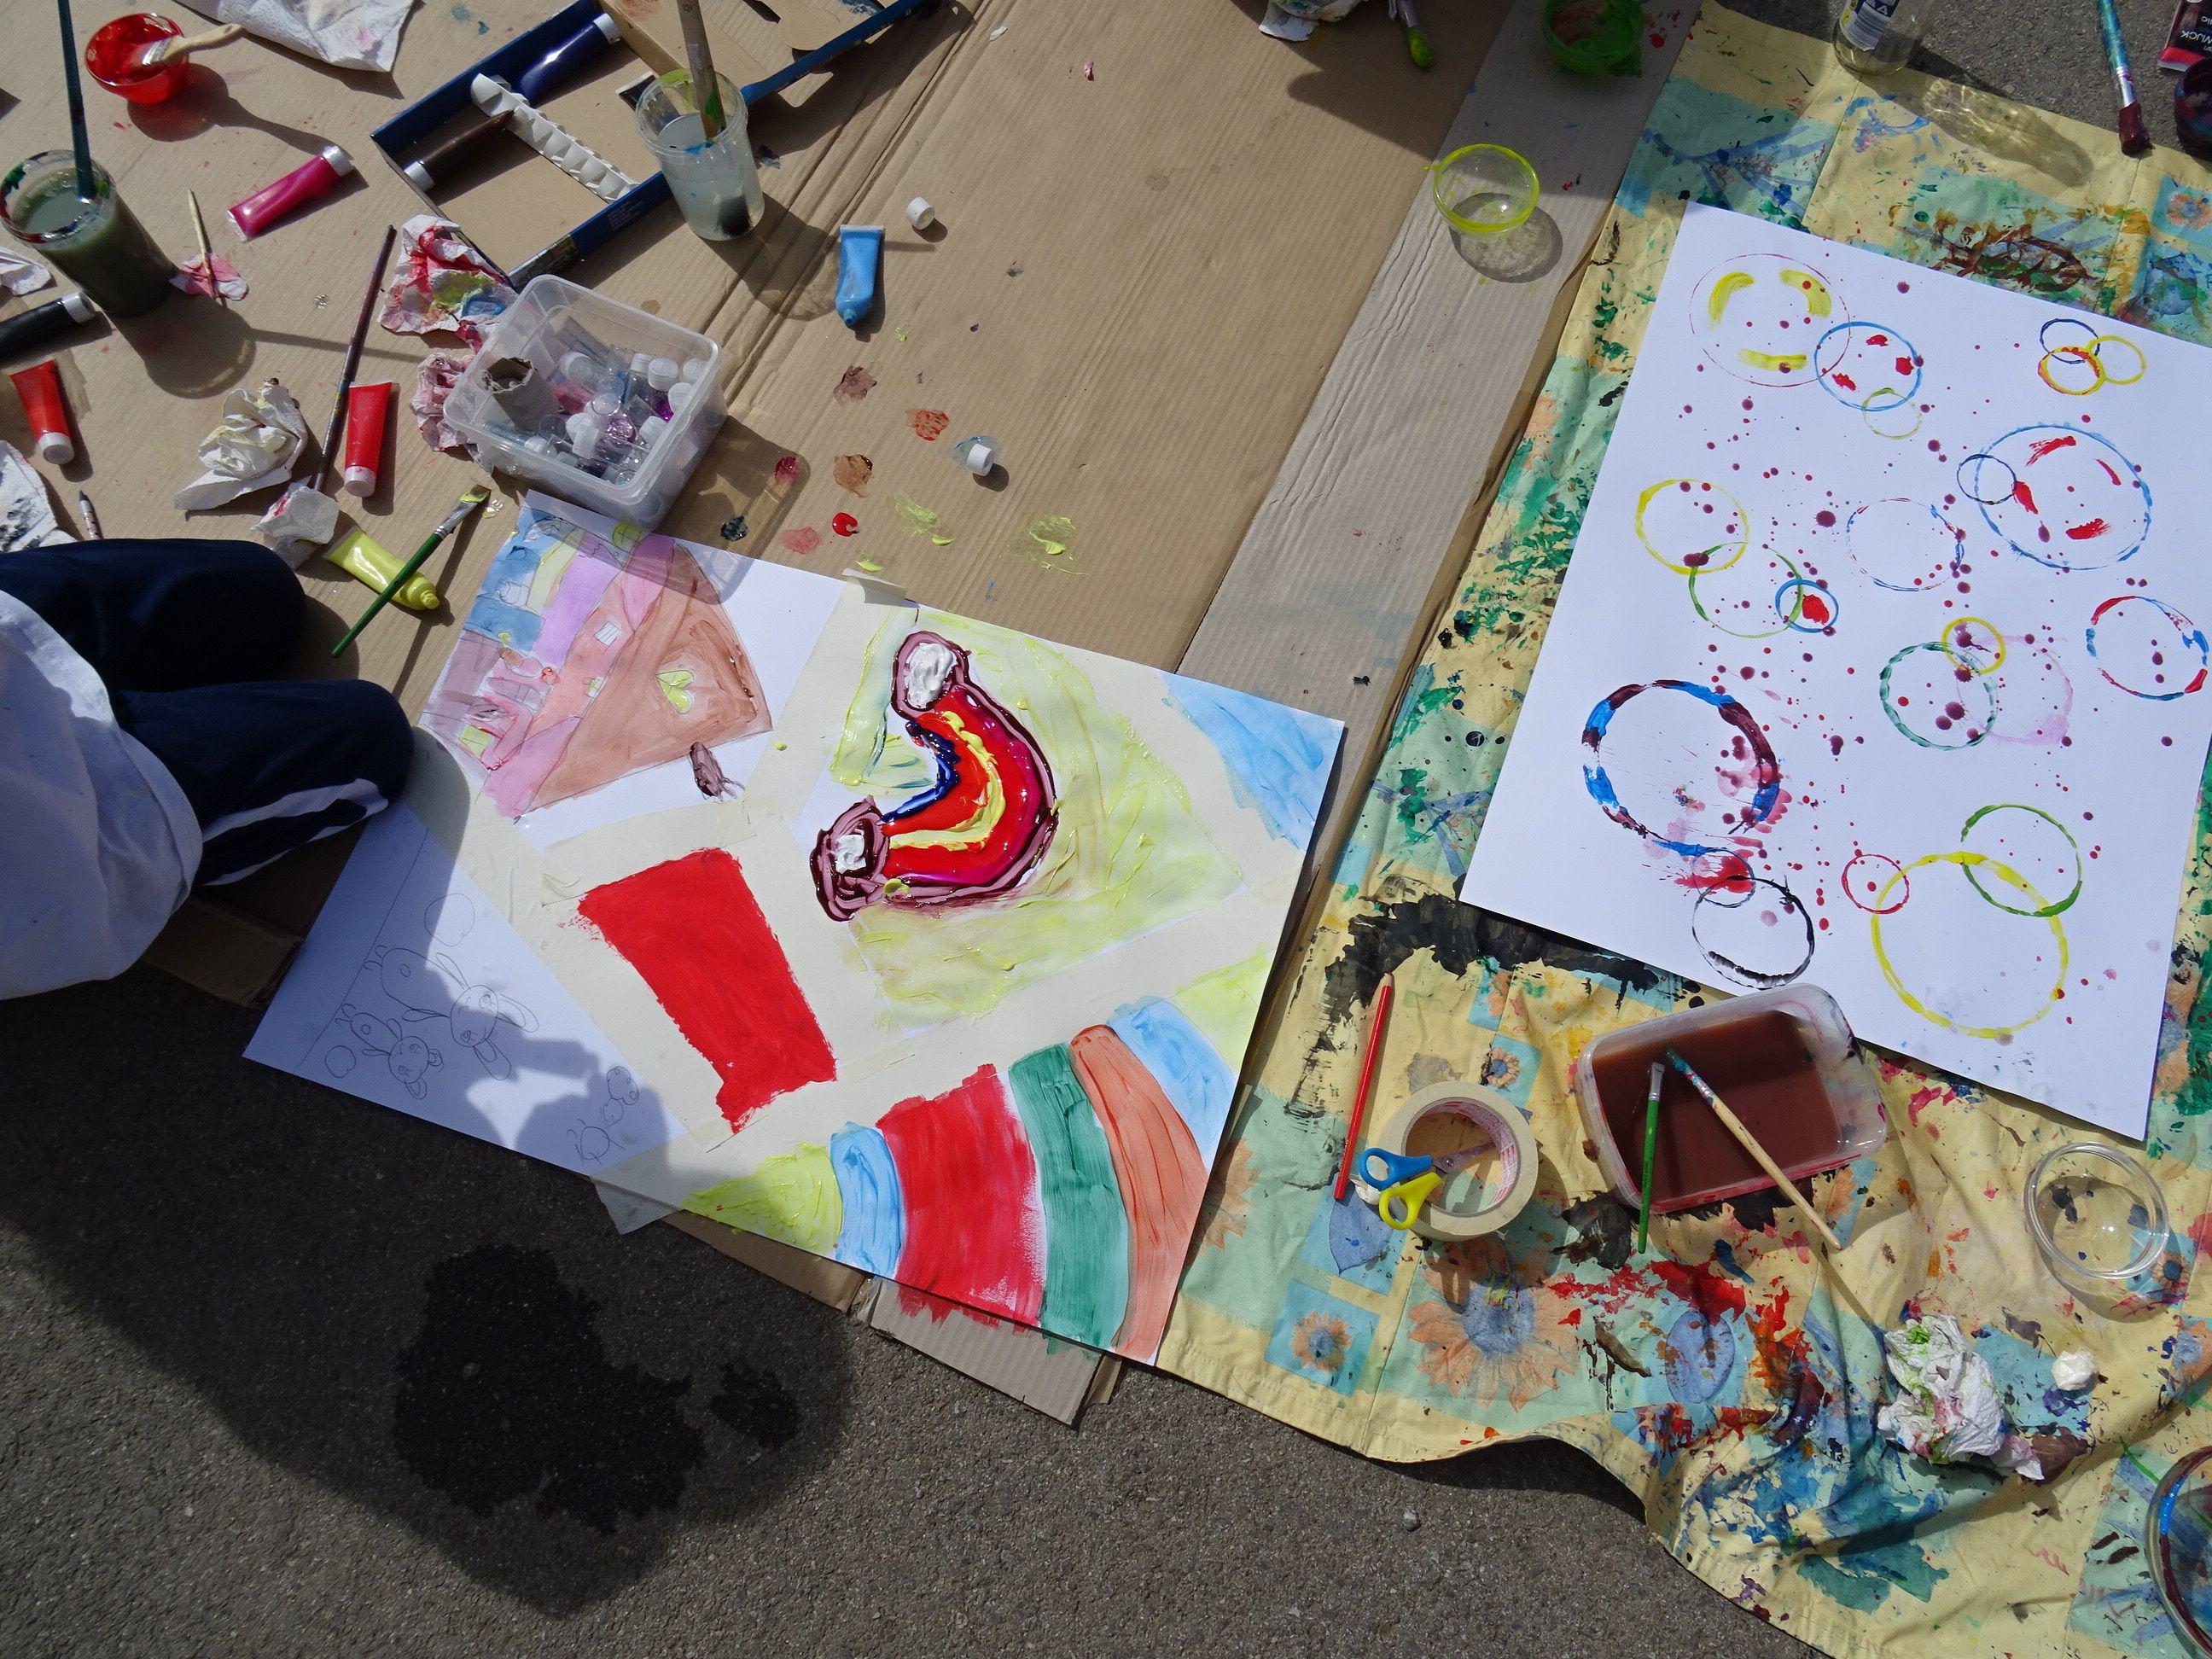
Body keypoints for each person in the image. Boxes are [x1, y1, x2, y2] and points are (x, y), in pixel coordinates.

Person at [0, 538, 413, 998]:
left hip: (13, 650)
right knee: (374, 736)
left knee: (259, 587)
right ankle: (189, 847)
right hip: (53, 833)